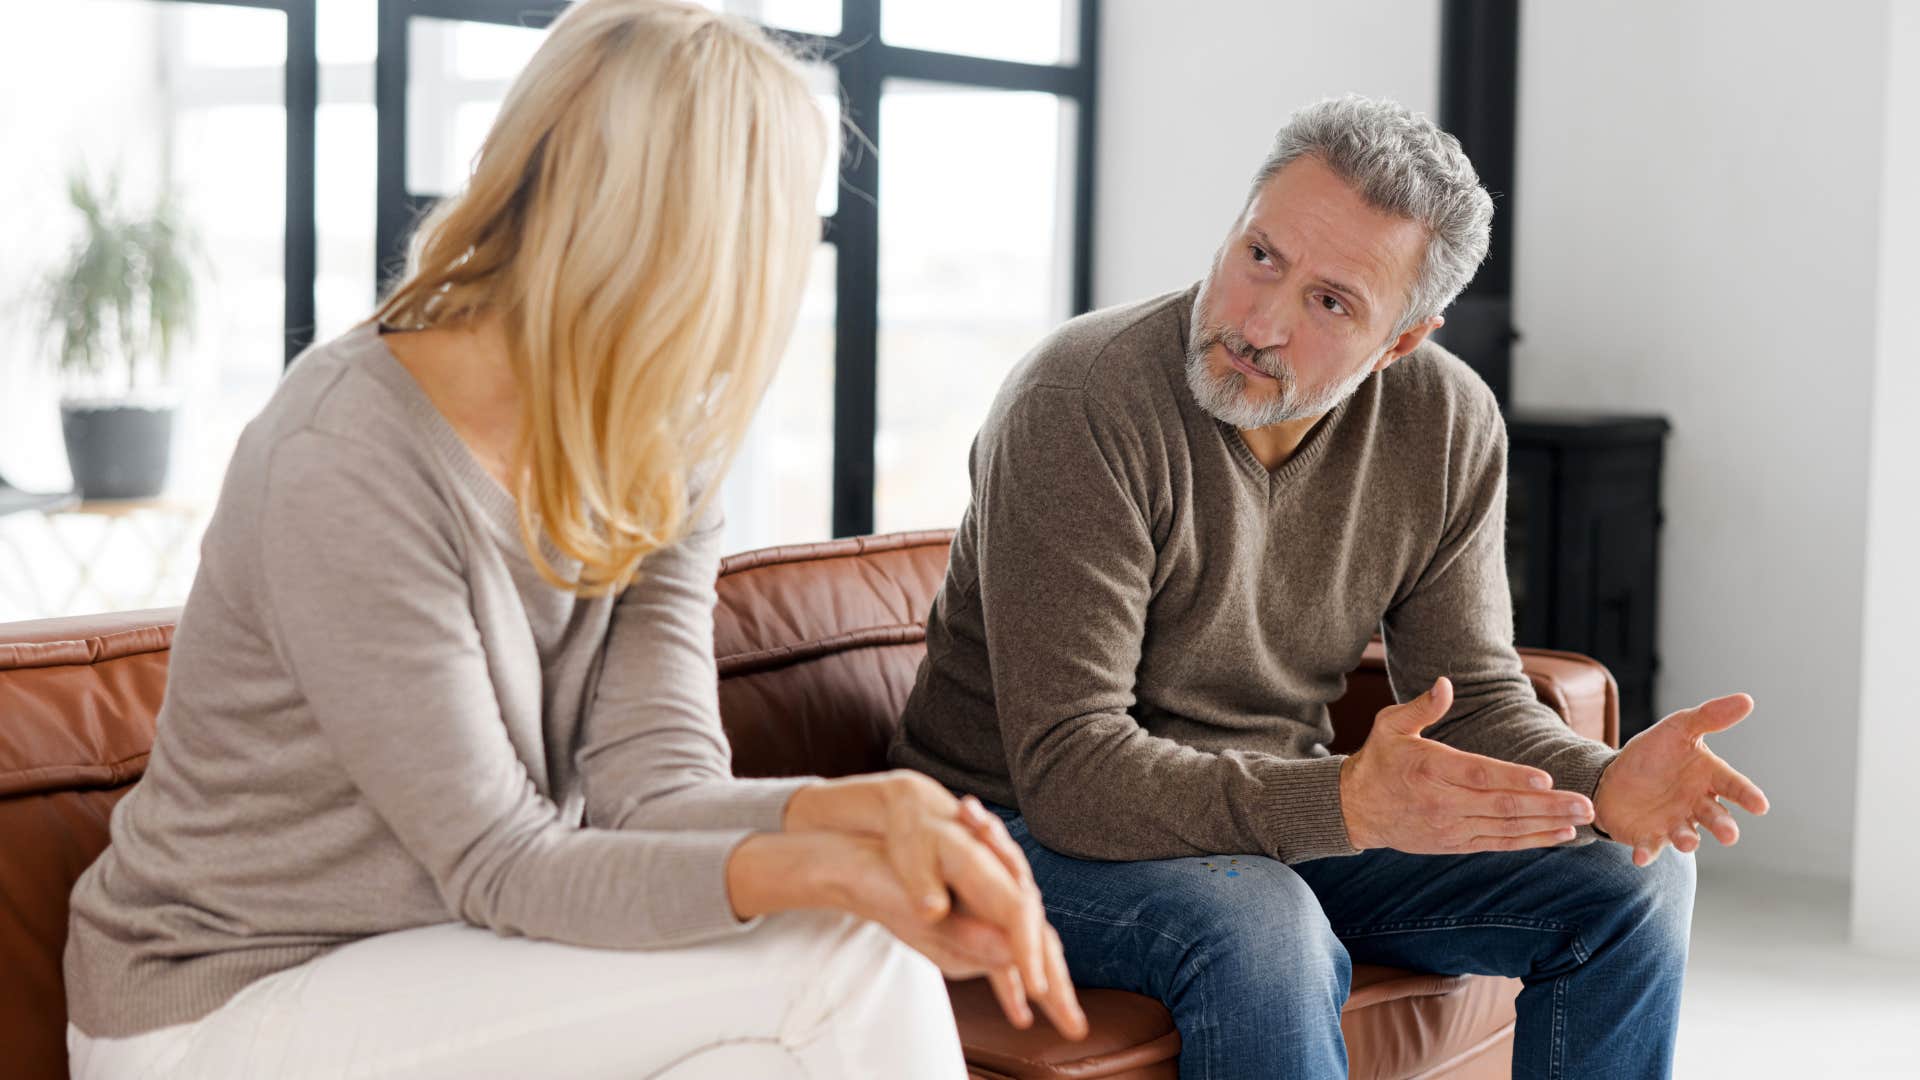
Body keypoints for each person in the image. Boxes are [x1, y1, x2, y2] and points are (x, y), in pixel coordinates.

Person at [63, 3, 1085, 1076]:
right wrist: (828, 873)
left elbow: (655, 790)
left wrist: (879, 809)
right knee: (842, 959)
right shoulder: (344, 451)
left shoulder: (656, 444)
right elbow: (504, 863)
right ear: (674, 240)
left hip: (453, 966)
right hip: (217, 1005)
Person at [890, 94, 1768, 1079]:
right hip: (1012, 827)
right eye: (1260, 254)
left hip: (1269, 822)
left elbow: (1473, 699)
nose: (1257, 321)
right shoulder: (1081, 400)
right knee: (1264, 918)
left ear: (1401, 340)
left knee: (1634, 881)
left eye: (1331, 302)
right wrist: (1342, 803)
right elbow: (1070, 773)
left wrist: (1602, 782)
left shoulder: (1444, 422)